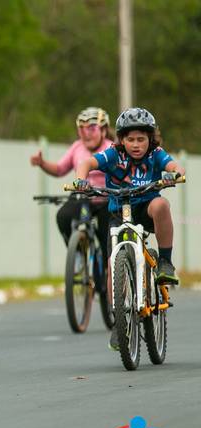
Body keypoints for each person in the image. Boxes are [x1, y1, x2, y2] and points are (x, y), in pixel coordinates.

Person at [73, 107, 185, 349]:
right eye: (130, 139)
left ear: (150, 139)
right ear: (121, 140)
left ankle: (165, 262)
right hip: (118, 212)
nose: (136, 145)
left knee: (162, 205)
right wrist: (81, 180)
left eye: (141, 139)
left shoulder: (156, 154)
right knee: (113, 265)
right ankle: (119, 322)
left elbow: (176, 166)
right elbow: (87, 163)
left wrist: (173, 175)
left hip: (146, 209)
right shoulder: (113, 155)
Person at [30, 107, 114, 254]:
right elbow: (59, 169)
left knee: (106, 237)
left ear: (103, 130)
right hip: (82, 196)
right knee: (63, 217)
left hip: (106, 199)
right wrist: (42, 163)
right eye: (81, 129)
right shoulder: (77, 147)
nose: (86, 133)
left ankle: (105, 263)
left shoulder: (111, 148)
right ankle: (77, 254)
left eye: (92, 128)